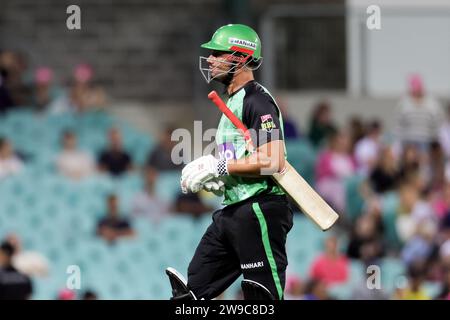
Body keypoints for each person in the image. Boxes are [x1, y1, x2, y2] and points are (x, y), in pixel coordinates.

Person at [167, 24, 293, 301]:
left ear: (239, 58)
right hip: (232, 211)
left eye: (217, 53)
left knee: (263, 298)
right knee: (192, 292)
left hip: (259, 207)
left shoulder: (257, 100)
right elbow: (243, 158)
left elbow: (273, 159)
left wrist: (220, 167)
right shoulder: (233, 103)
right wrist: (221, 177)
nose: (210, 60)